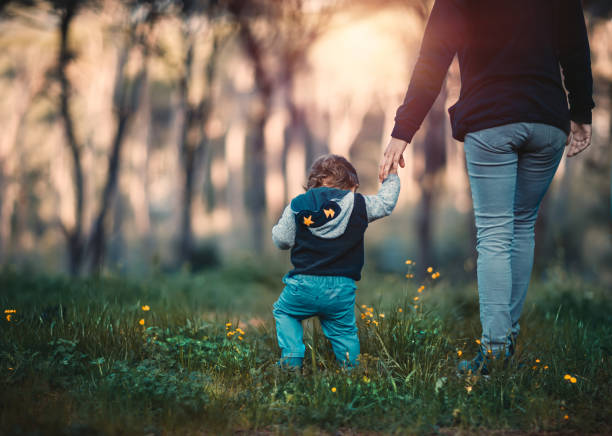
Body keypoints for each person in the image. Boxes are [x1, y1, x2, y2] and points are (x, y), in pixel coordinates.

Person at [378, 0, 594, 374]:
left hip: (492, 119)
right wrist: (582, 113)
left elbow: (433, 59)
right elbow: (576, 46)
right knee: (522, 225)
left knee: (495, 232)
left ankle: (494, 353)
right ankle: (505, 343)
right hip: (547, 120)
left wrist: (403, 130)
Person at [272, 154, 400, 369]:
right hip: (342, 288)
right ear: (352, 185)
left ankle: (292, 358)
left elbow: (282, 240)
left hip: (304, 285)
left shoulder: (298, 204)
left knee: (285, 311)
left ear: (313, 182)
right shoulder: (359, 203)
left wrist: (280, 229)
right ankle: (352, 371)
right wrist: (392, 177)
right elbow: (386, 203)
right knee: (344, 331)